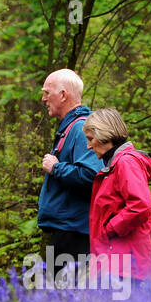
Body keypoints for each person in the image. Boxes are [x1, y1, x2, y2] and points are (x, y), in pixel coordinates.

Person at [84, 108, 151, 286]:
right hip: (114, 264)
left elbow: (140, 205)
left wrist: (110, 229)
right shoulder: (113, 165)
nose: (88, 146)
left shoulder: (126, 162)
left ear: (104, 135)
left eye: (90, 139)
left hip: (126, 267)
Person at [38, 69, 102, 273]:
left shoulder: (81, 129)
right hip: (67, 230)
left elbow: (92, 176)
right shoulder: (71, 127)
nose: (43, 98)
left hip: (74, 233)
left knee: (64, 298)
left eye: (47, 93)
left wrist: (56, 168)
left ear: (63, 95)